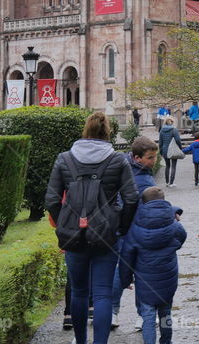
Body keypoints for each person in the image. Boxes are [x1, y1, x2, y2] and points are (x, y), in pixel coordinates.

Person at [45, 112, 138, 344]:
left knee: (78, 292)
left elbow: (51, 200)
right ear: (108, 132)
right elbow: (132, 198)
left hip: (73, 236)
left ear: (85, 130)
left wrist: (64, 225)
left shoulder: (64, 159)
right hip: (106, 235)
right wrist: (121, 227)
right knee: (103, 293)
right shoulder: (117, 160)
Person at [119, 187, 187, 344]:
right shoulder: (174, 225)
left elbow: (127, 255)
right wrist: (173, 247)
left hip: (145, 280)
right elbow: (182, 236)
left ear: (143, 203)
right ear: (164, 201)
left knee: (148, 315)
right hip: (168, 277)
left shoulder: (135, 226)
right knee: (165, 313)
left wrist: (125, 280)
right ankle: (166, 341)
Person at [112, 136, 159, 331]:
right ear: (137, 157)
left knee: (121, 273)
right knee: (140, 274)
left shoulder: (125, 167)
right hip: (134, 231)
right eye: (150, 157)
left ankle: (112, 312)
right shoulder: (138, 176)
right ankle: (140, 315)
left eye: (155, 157)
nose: (154, 161)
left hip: (126, 229)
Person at [158, 117, 183, 188]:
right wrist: (180, 148)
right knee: (173, 166)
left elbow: (160, 142)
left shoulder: (162, 130)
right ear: (172, 122)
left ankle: (167, 182)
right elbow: (178, 140)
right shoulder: (174, 130)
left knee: (167, 166)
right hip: (173, 149)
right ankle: (171, 183)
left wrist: (161, 151)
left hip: (165, 150)